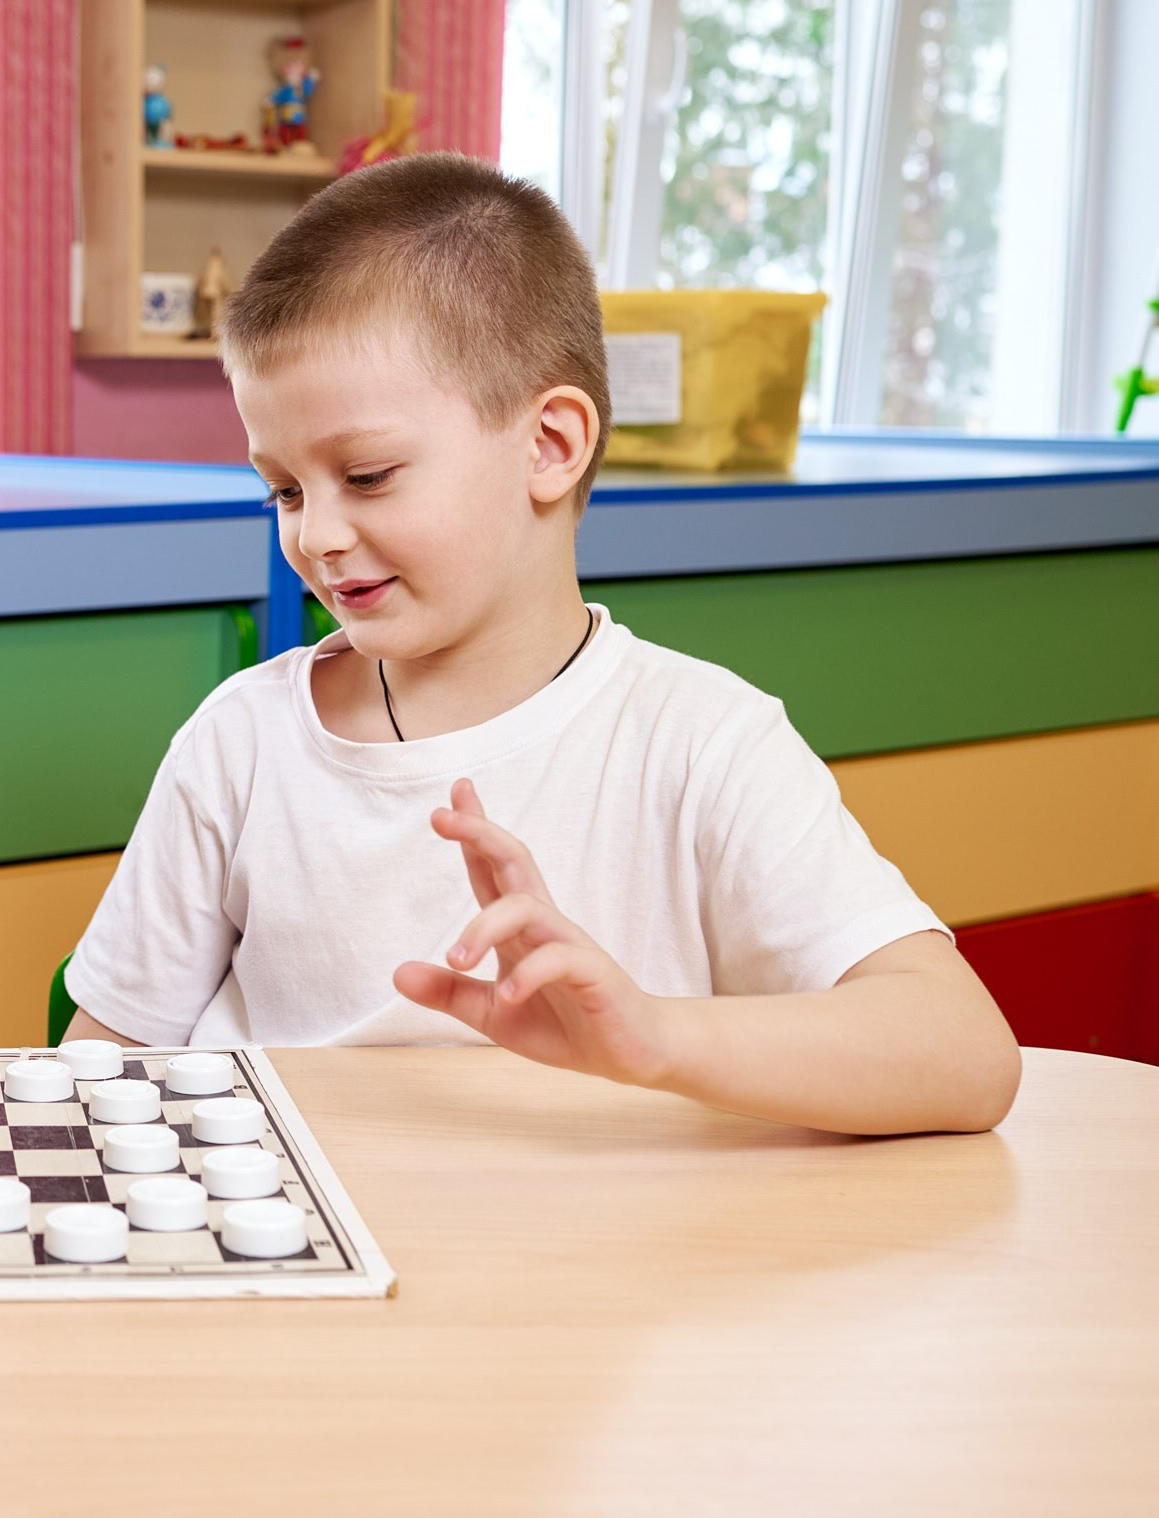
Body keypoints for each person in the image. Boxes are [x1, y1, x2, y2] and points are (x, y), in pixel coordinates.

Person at [60, 154, 1019, 1135]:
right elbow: (103, 1057)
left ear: (549, 446)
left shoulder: (701, 743)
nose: (313, 535)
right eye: (285, 489)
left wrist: (654, 1036)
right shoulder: (243, 741)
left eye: (369, 473)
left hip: (605, 1277)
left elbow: (964, 1056)